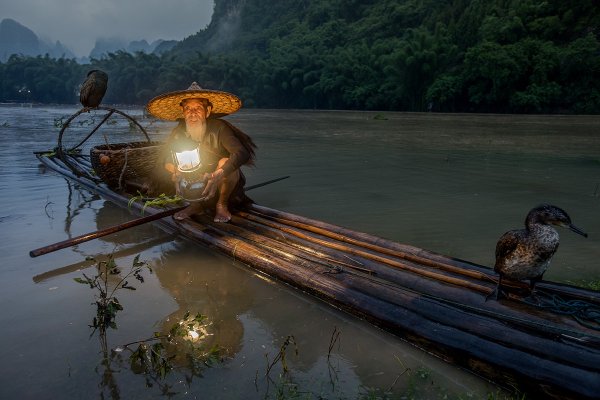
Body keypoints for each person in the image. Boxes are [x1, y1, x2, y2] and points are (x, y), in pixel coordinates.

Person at [146, 82, 256, 222]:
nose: (192, 113)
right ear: (183, 112)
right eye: (188, 108)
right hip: (195, 188)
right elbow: (167, 160)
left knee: (224, 162)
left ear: (208, 111)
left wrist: (217, 174)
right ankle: (196, 205)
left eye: (198, 108)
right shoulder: (179, 132)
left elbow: (242, 153)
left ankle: (221, 204)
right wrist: (176, 172)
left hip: (223, 186)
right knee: (181, 165)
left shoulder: (219, 128)